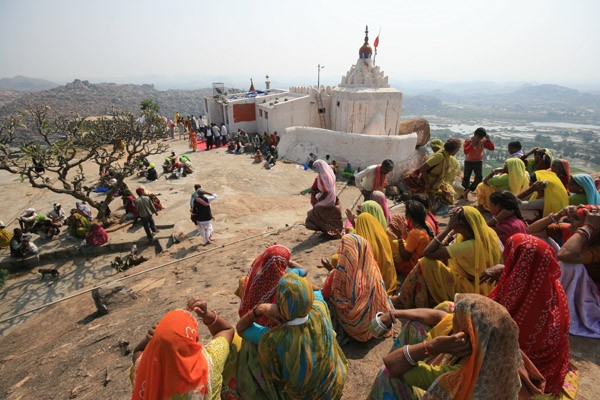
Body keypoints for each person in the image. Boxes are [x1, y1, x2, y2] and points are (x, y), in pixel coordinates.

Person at [368, 294, 543, 400]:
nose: (453, 319)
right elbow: (440, 315)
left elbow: (392, 363)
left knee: (388, 375)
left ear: (468, 335)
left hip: (460, 389)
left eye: (458, 319)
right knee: (423, 322)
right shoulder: (502, 351)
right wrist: (394, 314)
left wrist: (432, 346)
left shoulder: (460, 376)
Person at [482, 234, 573, 397]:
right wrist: (506, 270)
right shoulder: (552, 285)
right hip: (550, 367)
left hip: (521, 369)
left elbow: (489, 324)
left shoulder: (513, 292)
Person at [236, 272, 348, 399]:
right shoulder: (319, 310)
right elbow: (317, 290)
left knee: (249, 345)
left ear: (279, 304)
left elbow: (241, 329)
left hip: (307, 398)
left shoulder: (274, 339)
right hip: (333, 387)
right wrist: (301, 286)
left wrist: (259, 309)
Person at [394, 206, 501, 309]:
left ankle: (403, 299)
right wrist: (451, 234)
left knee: (425, 262)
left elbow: (428, 253)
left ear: (459, 226)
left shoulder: (470, 246)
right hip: (481, 285)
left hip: (470, 288)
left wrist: (448, 228)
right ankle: (409, 297)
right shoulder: (487, 233)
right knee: (438, 262)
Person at [131, 298, 235, 400]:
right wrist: (207, 315)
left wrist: (149, 339)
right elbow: (226, 330)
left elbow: (138, 352)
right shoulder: (210, 363)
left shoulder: (144, 369)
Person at [321, 234, 392, 342]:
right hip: (377, 322)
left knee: (326, 301)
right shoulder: (373, 270)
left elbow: (326, 294)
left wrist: (331, 271)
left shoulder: (339, 275)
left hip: (356, 328)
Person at [387, 200, 434, 277]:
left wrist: (399, 237)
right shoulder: (425, 227)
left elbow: (405, 257)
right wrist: (403, 232)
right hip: (422, 264)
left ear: (408, 215)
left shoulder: (415, 233)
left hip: (413, 267)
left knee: (390, 238)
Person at [415, 138, 461, 215]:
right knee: (424, 202)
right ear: (453, 150)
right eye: (457, 150)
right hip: (428, 182)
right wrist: (427, 184)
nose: (457, 152)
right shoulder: (440, 156)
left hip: (436, 183)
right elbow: (423, 169)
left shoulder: (447, 157)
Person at [305, 159, 343, 237]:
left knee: (314, 214)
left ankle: (326, 228)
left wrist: (319, 200)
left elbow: (326, 192)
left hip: (327, 198)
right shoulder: (328, 172)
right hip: (331, 197)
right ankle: (326, 229)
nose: (315, 169)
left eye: (315, 168)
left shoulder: (324, 177)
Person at [462, 127, 494, 199]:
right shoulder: (468, 141)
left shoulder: (483, 141)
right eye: (479, 137)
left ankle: (467, 191)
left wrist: (488, 140)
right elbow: (465, 151)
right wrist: (472, 144)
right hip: (468, 161)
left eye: (482, 137)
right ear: (475, 135)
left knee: (479, 178)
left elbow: (491, 148)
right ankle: (464, 193)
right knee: (466, 178)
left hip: (478, 161)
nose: (480, 139)